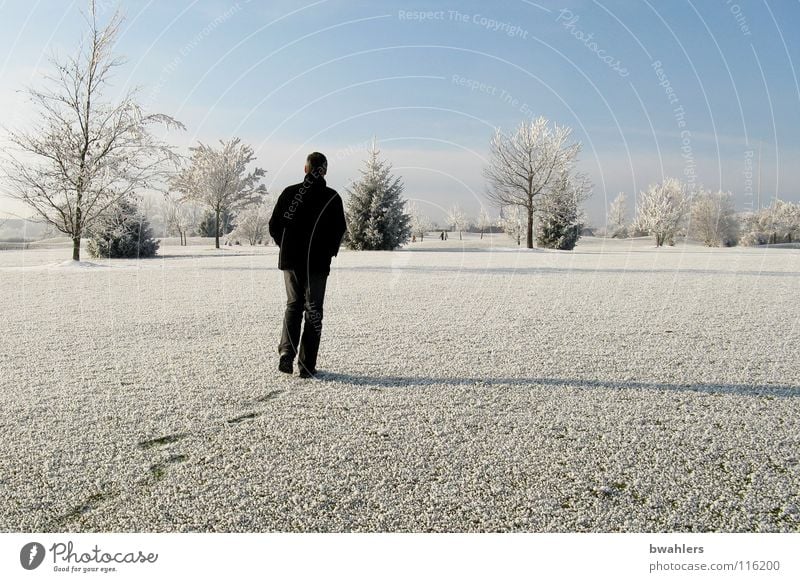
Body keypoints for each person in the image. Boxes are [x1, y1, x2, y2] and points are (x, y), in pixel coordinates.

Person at [268, 152, 347, 378]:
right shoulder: (332, 197)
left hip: (291, 261)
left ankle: (286, 353)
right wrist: (329, 251)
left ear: (305, 169)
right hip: (318, 264)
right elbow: (339, 229)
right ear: (324, 171)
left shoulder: (290, 193)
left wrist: (285, 246)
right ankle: (306, 365)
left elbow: (275, 225)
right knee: (314, 312)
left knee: (293, 306)